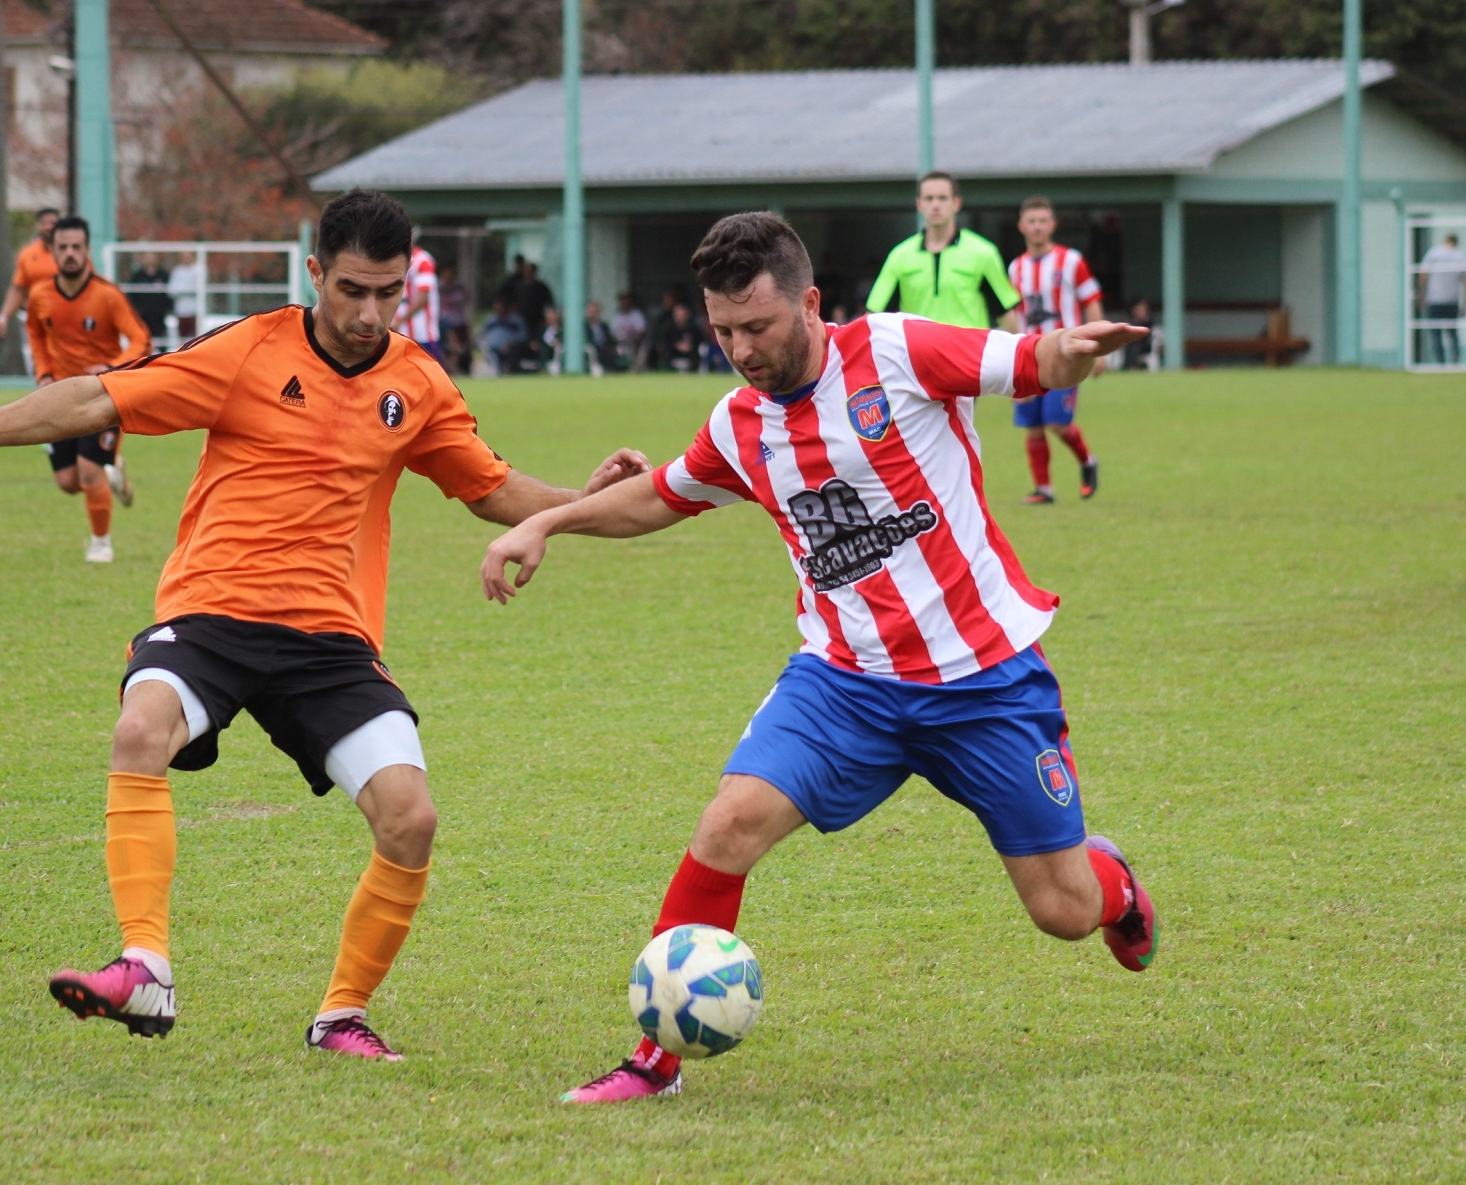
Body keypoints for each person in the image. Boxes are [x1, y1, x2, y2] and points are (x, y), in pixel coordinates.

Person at [0, 189, 649, 1060]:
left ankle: (340, 1015)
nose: (371, 313)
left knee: (411, 818)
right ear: (314, 272)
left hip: (329, 639)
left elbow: (492, 489)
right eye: (353, 289)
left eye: (390, 293)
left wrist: (578, 503)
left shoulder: (416, 384)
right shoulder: (251, 349)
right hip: (214, 614)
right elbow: (99, 397)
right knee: (141, 727)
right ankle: (145, 966)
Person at [476, 212, 1155, 1105]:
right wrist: (550, 519)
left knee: (1064, 911)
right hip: (844, 683)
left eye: (757, 326)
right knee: (726, 827)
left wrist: (1072, 350)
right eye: (723, 331)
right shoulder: (741, 423)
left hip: (982, 678)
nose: (741, 349)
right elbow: (661, 498)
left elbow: (1030, 363)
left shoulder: (896, 351)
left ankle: (1114, 884)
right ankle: (656, 1061)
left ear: (809, 302)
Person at [24, 216, 152, 563]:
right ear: (51, 251)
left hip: (103, 394)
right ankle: (112, 469)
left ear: (87, 250)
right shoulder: (39, 295)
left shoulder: (106, 295)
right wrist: (43, 373)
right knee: (68, 481)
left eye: (76, 247)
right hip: (61, 395)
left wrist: (114, 368)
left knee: (87, 470)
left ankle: (101, 543)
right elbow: (35, 334)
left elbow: (141, 338)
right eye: (62, 247)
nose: (70, 254)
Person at [1008, 197, 1104, 505]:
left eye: (1043, 220)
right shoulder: (1016, 268)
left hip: (1066, 355)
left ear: (1053, 225)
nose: (1037, 226)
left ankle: (1087, 460)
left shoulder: (1071, 261)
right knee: (1032, 425)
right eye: (1031, 221)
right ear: (1022, 226)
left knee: (1056, 422)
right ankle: (1043, 489)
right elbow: (1014, 314)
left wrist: (1099, 349)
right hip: (1029, 354)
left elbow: (1091, 301)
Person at [865, 171, 1021, 333]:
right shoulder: (899, 256)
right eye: (929, 198)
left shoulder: (983, 253)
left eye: (942, 198)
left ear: (956, 203)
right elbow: (873, 318)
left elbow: (1006, 316)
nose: (936, 205)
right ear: (919, 204)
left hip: (967, 355)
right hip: (917, 356)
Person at [0, 206, 59, 343]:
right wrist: (3, 317)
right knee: (41, 361)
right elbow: (18, 289)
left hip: (66, 320)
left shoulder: (69, 253)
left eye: (52, 223)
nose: (48, 227)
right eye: (43, 223)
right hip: (38, 321)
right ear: (37, 226)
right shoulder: (27, 255)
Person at [1416, 234, 1466, 365]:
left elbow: (1423, 276)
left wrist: (1420, 295)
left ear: (1445, 240)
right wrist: (1465, 304)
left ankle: (1440, 361)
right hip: (1452, 300)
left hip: (1434, 300)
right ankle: (1455, 357)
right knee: (1452, 332)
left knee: (1436, 333)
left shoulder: (1433, 254)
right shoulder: (1460, 257)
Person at [394, 238, 442, 365]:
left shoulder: (422, 261)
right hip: (400, 332)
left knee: (429, 377)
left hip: (422, 333)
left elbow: (423, 298)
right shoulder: (392, 259)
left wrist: (400, 319)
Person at [126, 251, 172, 340]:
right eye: (147, 257)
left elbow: (169, 295)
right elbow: (131, 296)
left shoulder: (163, 275)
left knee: (162, 344)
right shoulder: (137, 277)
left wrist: (166, 309)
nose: (150, 260)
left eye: (152, 257)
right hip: (142, 318)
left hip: (159, 318)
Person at [481, 299, 528, 375]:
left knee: (516, 351)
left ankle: (508, 370)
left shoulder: (515, 320)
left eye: (501, 307)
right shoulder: (491, 320)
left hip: (511, 348)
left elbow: (522, 336)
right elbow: (483, 335)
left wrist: (511, 343)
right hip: (493, 349)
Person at [654, 302, 703, 372]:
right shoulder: (668, 328)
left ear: (687, 314)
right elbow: (662, 342)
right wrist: (676, 346)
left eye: (682, 315)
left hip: (690, 356)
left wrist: (690, 346)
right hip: (673, 355)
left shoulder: (694, 328)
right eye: (678, 315)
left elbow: (700, 341)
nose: (680, 317)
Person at [167, 253, 203, 341]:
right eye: (183, 256)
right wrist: (187, 288)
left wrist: (181, 289)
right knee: (181, 340)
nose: (186, 258)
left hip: (194, 311)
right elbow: (171, 291)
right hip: (181, 312)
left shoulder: (199, 270)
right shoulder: (177, 271)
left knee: (196, 339)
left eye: (188, 255)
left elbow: (198, 289)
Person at [608, 292, 647, 369]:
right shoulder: (616, 317)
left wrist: (633, 341)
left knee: (642, 351)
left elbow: (642, 332)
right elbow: (612, 334)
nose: (624, 302)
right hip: (620, 345)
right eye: (622, 300)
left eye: (626, 300)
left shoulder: (637, 315)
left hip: (635, 345)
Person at [583, 299, 618, 372]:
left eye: (595, 311)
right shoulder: (584, 327)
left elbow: (610, 340)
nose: (593, 314)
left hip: (606, 350)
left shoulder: (604, 326)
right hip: (594, 351)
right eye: (591, 311)